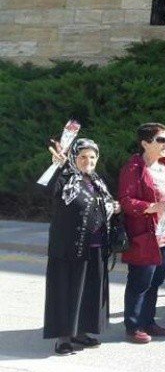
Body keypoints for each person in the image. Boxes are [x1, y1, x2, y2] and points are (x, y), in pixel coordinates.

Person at [43, 138, 119, 355]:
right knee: (67, 292)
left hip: (95, 247)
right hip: (68, 248)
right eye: (83, 156)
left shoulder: (97, 180)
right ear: (75, 157)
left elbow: (102, 205)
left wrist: (113, 207)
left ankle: (81, 332)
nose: (88, 161)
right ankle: (63, 338)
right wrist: (56, 165)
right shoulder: (65, 177)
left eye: (92, 157)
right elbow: (46, 188)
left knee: (89, 292)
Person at [119, 122, 165, 344]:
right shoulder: (134, 168)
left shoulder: (164, 165)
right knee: (140, 282)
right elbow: (126, 201)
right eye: (161, 140)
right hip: (146, 236)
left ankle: (148, 321)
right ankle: (133, 326)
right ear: (145, 143)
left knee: (155, 282)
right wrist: (150, 207)